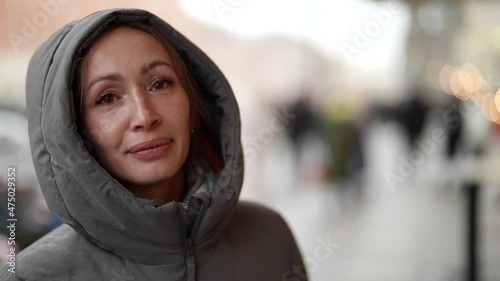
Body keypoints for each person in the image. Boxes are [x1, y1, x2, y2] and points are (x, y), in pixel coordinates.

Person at [0, 9, 306, 281]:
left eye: (160, 83)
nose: (144, 116)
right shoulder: (34, 275)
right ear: (73, 133)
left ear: (194, 107)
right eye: (107, 97)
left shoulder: (270, 234)